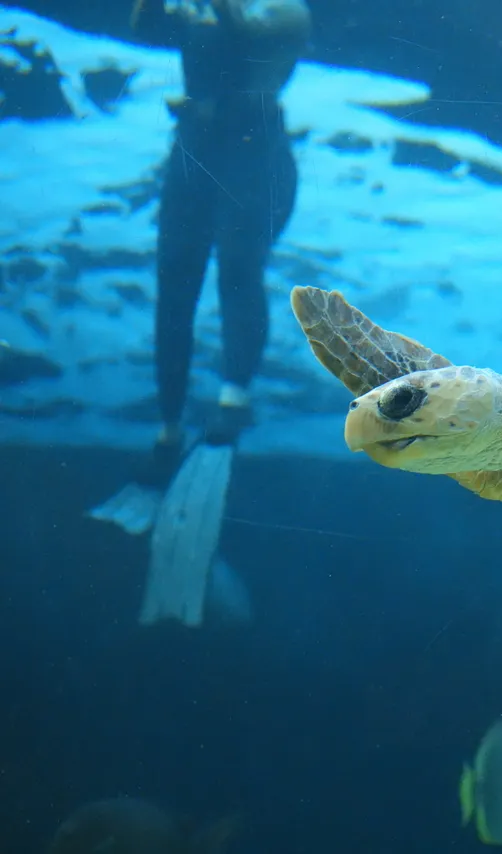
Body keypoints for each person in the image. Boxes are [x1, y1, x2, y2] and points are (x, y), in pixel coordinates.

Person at [90, 0, 311, 625]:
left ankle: (232, 397)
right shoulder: (210, 14)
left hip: (255, 150)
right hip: (196, 148)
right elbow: (144, 27)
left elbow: (252, 47)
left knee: (238, 275)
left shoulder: (285, 12)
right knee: (174, 290)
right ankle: (168, 426)